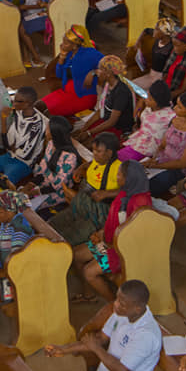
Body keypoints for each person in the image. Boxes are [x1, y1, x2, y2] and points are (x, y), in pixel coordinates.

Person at [47, 280, 161, 371]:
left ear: (137, 309)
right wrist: (64, 349)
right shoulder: (122, 314)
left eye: (121, 304)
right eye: (117, 299)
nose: (115, 305)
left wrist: (96, 348)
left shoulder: (146, 336)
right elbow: (99, 339)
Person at [71, 161, 152, 302]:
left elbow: (133, 236)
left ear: (129, 178)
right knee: (75, 255)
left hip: (123, 251)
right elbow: (115, 221)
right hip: (109, 242)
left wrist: (108, 242)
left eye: (119, 174)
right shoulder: (125, 192)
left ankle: (115, 306)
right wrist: (101, 233)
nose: (116, 177)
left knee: (89, 272)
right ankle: (89, 295)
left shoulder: (140, 203)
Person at [50, 132, 122, 246]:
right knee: (51, 226)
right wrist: (81, 168)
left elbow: (127, 190)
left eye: (98, 151)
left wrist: (107, 193)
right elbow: (90, 163)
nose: (94, 154)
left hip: (95, 214)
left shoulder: (118, 169)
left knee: (67, 240)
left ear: (109, 153)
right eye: (93, 150)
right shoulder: (98, 160)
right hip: (80, 204)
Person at [143, 86, 186, 197]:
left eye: (179, 107)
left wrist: (156, 166)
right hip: (163, 160)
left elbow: (183, 163)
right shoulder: (175, 120)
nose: (174, 108)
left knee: (146, 186)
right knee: (135, 173)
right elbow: (163, 144)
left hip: (179, 170)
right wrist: (154, 159)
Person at [41, 25, 104, 117]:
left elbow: (110, 67)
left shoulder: (90, 54)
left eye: (66, 43)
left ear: (75, 45)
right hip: (65, 91)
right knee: (38, 105)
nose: (62, 45)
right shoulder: (69, 53)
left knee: (47, 113)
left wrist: (93, 72)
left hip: (83, 96)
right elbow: (59, 75)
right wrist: (62, 56)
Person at [23, 116, 80, 213]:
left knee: (25, 208)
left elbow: (57, 185)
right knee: (19, 195)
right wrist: (29, 186)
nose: (46, 131)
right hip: (43, 185)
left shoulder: (70, 157)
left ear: (55, 133)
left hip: (57, 192)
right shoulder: (51, 144)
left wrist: (33, 193)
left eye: (48, 128)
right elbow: (41, 170)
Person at [74, 55, 135, 142]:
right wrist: (85, 128)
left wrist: (89, 133)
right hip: (106, 120)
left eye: (100, 70)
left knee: (89, 143)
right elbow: (101, 111)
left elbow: (112, 121)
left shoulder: (121, 92)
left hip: (117, 128)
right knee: (78, 134)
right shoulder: (108, 84)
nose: (97, 72)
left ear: (108, 73)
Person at [0, 87, 48, 184]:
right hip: (10, 156)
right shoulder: (18, 113)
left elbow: (26, 155)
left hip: (23, 164)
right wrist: (3, 118)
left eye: (18, 101)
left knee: (4, 183)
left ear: (28, 103)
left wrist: (11, 147)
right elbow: (7, 142)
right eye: (14, 100)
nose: (13, 103)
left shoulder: (36, 124)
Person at [117, 80, 176, 162]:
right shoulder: (150, 107)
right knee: (115, 153)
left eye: (150, 98)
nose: (146, 99)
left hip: (149, 148)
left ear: (158, 102)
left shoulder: (170, 117)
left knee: (120, 160)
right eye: (147, 96)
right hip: (139, 139)